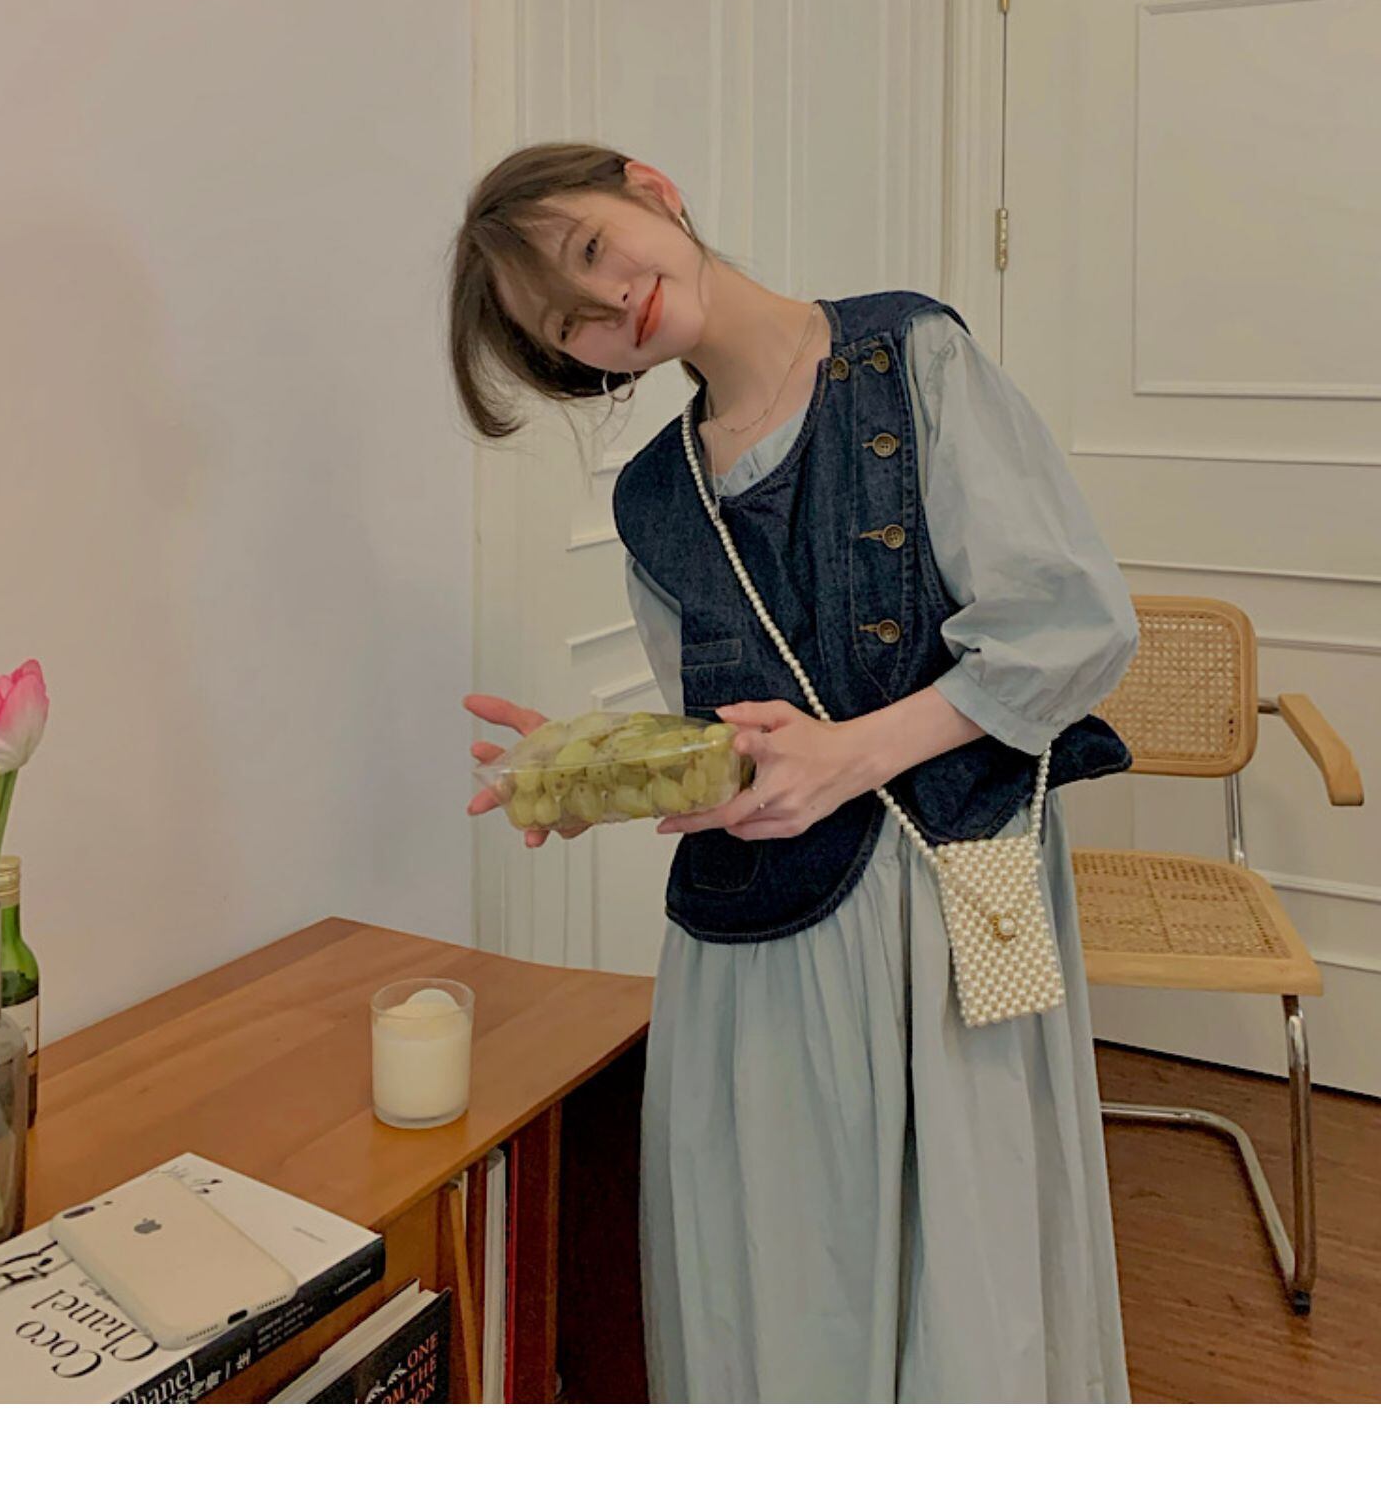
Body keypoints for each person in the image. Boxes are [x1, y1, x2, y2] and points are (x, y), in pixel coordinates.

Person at [450, 142, 1140, 1403]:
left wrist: (849, 755)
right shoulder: (657, 499)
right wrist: (596, 770)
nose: (610, 303)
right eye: (567, 320)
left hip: (952, 902)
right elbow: (732, 748)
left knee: (971, 1272)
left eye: (594, 249)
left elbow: (1072, 625)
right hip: (765, 949)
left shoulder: (911, 356)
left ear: (650, 188)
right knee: (784, 1277)